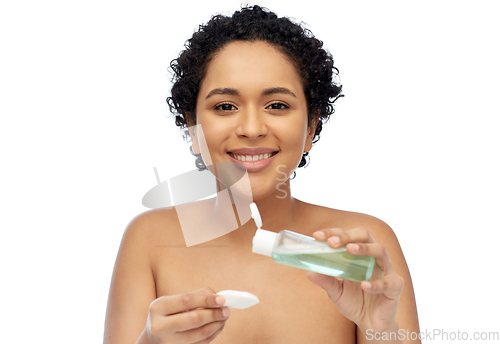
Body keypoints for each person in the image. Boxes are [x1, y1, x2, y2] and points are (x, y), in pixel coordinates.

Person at [104, 5, 420, 344]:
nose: (252, 129)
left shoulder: (360, 250)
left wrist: (382, 331)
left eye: (277, 105)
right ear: (193, 129)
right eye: (225, 106)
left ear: (311, 126)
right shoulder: (150, 240)